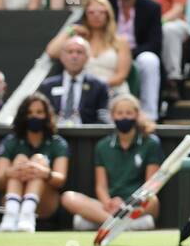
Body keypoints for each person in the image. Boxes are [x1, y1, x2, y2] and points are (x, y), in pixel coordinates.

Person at [61, 93, 164, 232]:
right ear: (112, 116)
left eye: (129, 113)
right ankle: (122, 226)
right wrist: (108, 202)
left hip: (137, 204)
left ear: (137, 114)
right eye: (120, 113)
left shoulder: (151, 143)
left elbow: (150, 186)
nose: (124, 117)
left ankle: (103, 224)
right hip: (109, 206)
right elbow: (101, 186)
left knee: (153, 201)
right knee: (69, 198)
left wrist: (126, 204)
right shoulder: (102, 146)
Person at [0, 92, 70, 232]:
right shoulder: (10, 141)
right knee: (20, 159)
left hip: (45, 204)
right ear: (23, 116)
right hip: (11, 198)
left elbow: (60, 179)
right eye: (29, 112)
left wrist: (43, 172)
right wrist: (12, 171)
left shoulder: (57, 143)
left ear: (47, 115)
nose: (34, 116)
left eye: (39, 112)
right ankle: (11, 214)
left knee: (38, 160)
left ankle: (27, 214)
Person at [38, 37, 111, 125]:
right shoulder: (47, 86)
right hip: (53, 134)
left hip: (86, 135)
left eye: (79, 52)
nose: (74, 56)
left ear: (87, 58)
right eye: (70, 52)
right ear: (62, 57)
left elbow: (103, 118)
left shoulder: (99, 86)